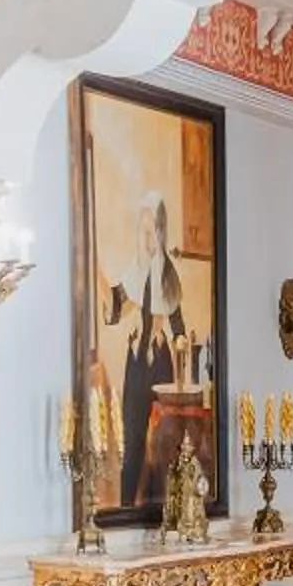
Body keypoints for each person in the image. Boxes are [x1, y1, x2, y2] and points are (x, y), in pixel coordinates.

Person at [104, 189, 188, 504]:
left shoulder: (169, 275)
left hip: (161, 362)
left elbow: (179, 326)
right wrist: (99, 276)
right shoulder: (134, 272)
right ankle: (127, 506)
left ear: (161, 233)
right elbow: (114, 313)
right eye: (144, 231)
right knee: (133, 440)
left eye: (153, 230)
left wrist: (179, 343)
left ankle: (164, 506)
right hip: (137, 362)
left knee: (166, 442)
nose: (148, 238)